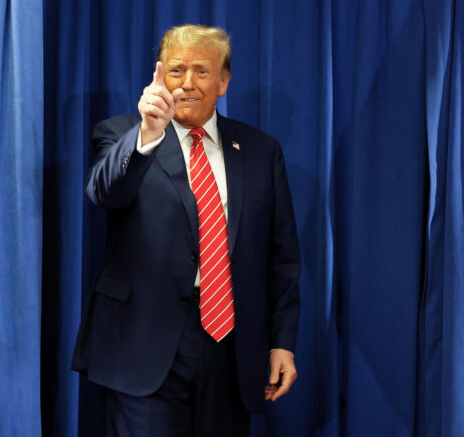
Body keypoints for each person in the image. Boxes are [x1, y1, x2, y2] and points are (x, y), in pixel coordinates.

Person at [72, 24, 301, 436]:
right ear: (159, 76)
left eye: (202, 71)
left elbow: (281, 257)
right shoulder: (123, 134)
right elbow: (104, 193)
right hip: (142, 345)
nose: (187, 83)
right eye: (176, 70)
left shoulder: (261, 151)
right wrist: (147, 134)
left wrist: (281, 341)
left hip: (231, 350)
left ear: (223, 82)